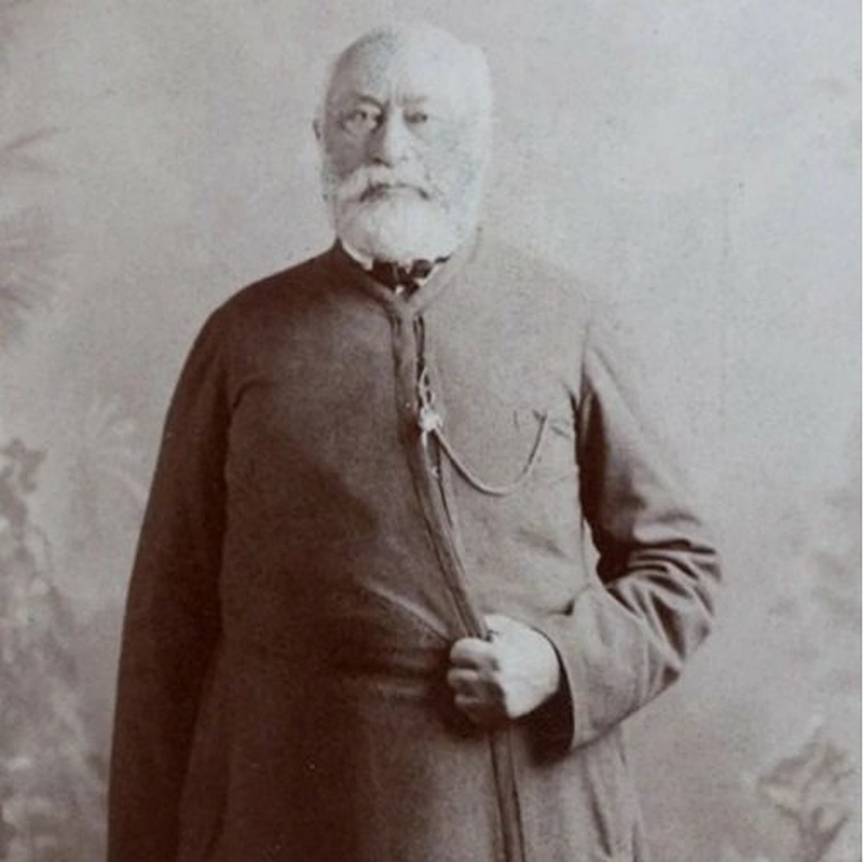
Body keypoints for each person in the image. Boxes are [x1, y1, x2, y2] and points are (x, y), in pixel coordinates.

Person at [108, 23, 720, 862]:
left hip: (524, 814)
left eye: (422, 119)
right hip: (293, 816)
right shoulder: (243, 338)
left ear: (480, 141)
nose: (389, 148)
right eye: (360, 116)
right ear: (320, 137)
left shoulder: (567, 323)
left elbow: (679, 567)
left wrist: (559, 662)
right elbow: (166, 631)